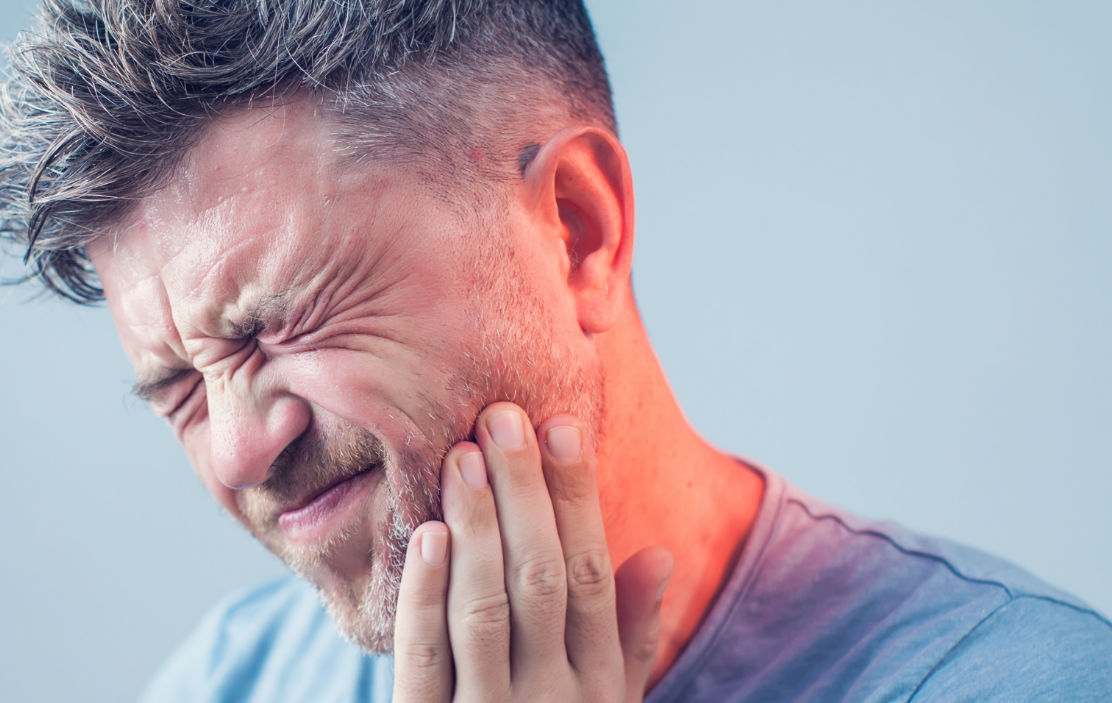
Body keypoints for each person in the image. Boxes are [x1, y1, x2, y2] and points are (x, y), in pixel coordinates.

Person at [2, 1, 1109, 701]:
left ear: (577, 230)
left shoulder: (1025, 684)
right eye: (180, 388)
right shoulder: (222, 682)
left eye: (283, 321)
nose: (241, 449)